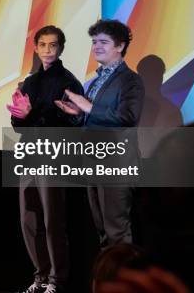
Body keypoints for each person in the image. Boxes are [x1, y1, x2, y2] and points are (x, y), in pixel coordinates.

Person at [7, 26, 83, 293]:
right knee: (28, 218)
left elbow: (78, 123)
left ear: (61, 48)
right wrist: (21, 115)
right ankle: (39, 276)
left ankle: (56, 280)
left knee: (52, 221)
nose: (48, 50)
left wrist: (61, 115)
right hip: (28, 152)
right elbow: (17, 125)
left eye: (53, 45)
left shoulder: (70, 82)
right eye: (43, 45)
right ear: (36, 48)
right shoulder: (29, 82)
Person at [56, 20, 144, 247]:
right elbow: (93, 117)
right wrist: (76, 113)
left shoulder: (130, 80)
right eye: (94, 42)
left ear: (120, 46)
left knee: (117, 231)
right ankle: (106, 280)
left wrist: (88, 107)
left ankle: (122, 280)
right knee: (102, 231)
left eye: (103, 42)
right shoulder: (97, 80)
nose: (97, 46)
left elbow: (128, 117)